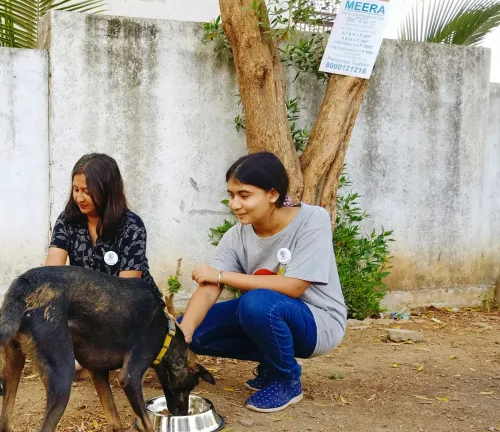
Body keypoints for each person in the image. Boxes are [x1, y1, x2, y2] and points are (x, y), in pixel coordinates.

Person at [179, 151, 347, 413]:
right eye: (231, 195)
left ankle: (286, 380)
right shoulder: (237, 236)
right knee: (193, 328)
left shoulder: (312, 220)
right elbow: (210, 288)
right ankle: (272, 361)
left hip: (318, 321)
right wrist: (184, 332)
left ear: (272, 194)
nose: (234, 204)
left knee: (256, 302)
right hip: (268, 313)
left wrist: (221, 275)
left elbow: (295, 287)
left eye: (244, 195)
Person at [46, 153, 162, 376]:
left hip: (132, 309)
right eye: (76, 189)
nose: (80, 198)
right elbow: (52, 272)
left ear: (108, 190)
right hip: (89, 308)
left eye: (88, 192)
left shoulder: (131, 225)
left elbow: (128, 290)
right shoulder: (68, 221)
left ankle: (105, 357)